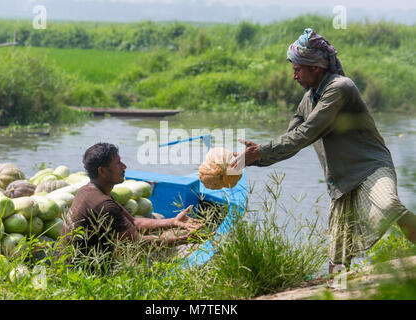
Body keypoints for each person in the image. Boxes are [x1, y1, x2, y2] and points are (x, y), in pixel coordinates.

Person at [231, 28, 416, 273]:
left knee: (389, 205)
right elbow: (291, 141)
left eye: (297, 69)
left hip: (371, 168)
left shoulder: (340, 88)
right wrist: (251, 159)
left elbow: (306, 133)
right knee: (338, 257)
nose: (294, 76)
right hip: (340, 181)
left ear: (315, 68)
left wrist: (259, 151)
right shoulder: (307, 101)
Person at [59, 142, 202, 258]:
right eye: (117, 164)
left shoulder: (88, 190)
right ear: (102, 171)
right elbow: (137, 243)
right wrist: (183, 240)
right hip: (78, 277)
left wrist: (173, 222)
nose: (124, 167)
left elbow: (134, 222)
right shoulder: (102, 204)